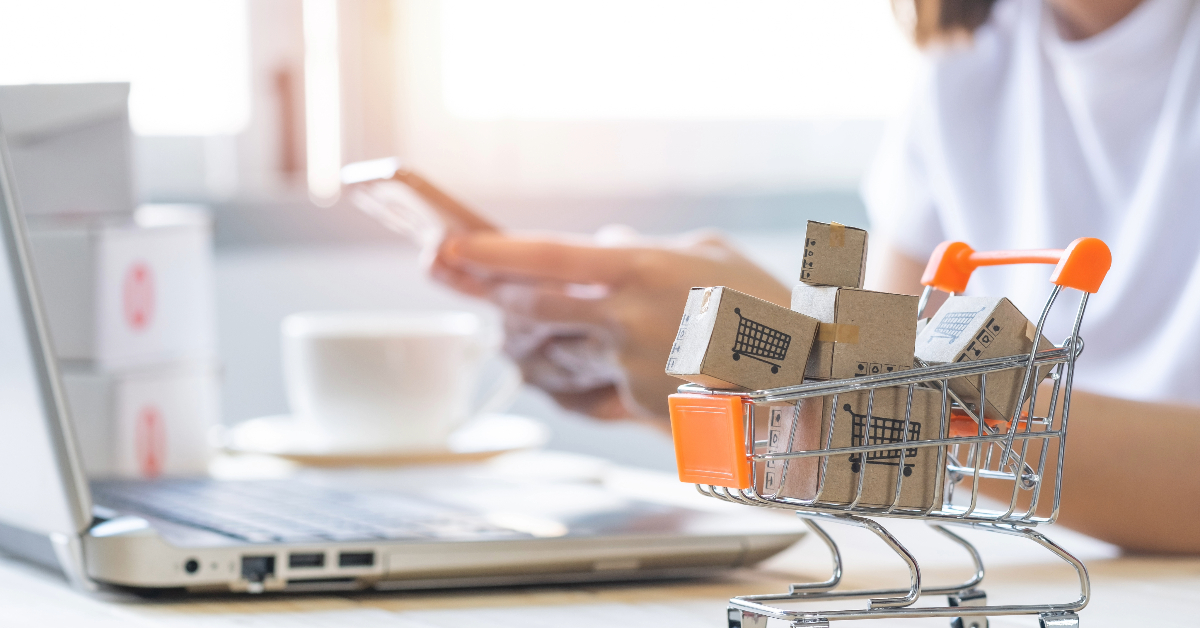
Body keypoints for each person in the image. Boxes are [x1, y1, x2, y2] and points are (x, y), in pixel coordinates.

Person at [433, 0, 1200, 554]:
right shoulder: (968, 61)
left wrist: (800, 354)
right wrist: (717, 379)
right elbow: (891, 426)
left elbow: (888, 387)